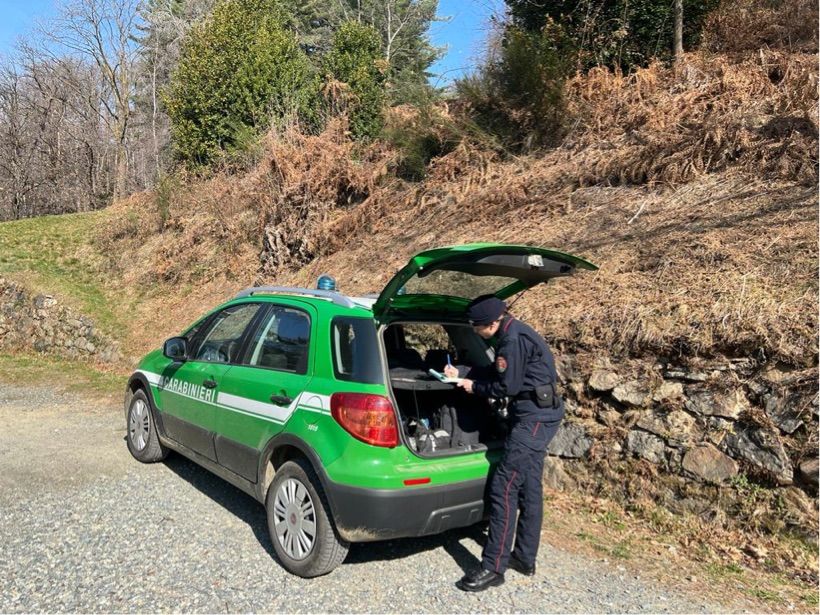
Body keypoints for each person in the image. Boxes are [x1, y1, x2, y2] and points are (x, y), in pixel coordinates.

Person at [444, 294, 564, 592]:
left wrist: (473, 386)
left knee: (504, 487)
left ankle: (493, 567)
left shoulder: (511, 341)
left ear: (491, 323)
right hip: (539, 414)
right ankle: (523, 557)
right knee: (529, 486)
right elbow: (500, 371)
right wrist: (462, 371)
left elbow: (505, 386)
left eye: (476, 326)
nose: (475, 331)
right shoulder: (513, 332)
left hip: (533, 419)